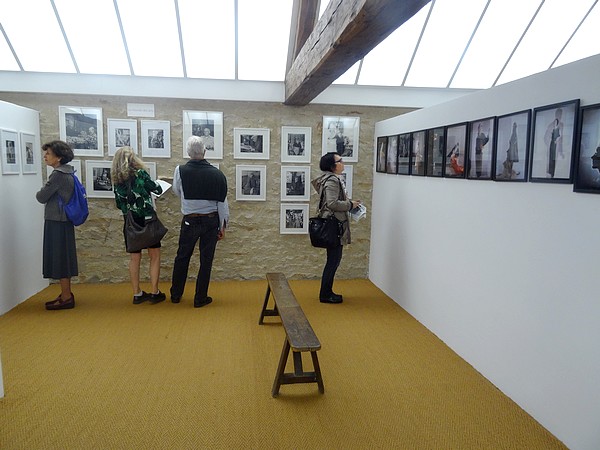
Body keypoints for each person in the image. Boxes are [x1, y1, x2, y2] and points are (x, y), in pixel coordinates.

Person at [170, 136, 229, 308]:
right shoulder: (217, 174)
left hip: (190, 220)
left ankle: (176, 294)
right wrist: (223, 225)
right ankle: (200, 298)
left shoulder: (180, 170)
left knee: (182, 257)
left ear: (188, 153)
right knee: (206, 260)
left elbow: (176, 191)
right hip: (211, 221)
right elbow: (222, 203)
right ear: (204, 151)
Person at [111, 146, 166, 304]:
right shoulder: (140, 174)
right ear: (132, 159)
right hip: (147, 219)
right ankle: (155, 292)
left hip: (130, 222)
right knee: (154, 256)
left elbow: (119, 204)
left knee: (134, 258)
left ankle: (137, 293)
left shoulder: (117, 180)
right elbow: (155, 188)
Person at [311, 152, 361, 304]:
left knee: (333, 260)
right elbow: (332, 204)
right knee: (333, 260)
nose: (343, 163)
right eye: (340, 161)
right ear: (333, 166)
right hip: (334, 226)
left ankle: (327, 291)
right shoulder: (332, 180)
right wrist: (350, 205)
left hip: (333, 224)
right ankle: (325, 294)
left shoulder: (329, 179)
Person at [36, 140, 79, 310]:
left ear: (59, 157)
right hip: (63, 221)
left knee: (60, 259)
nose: (45, 156)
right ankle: (66, 294)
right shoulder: (67, 172)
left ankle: (67, 297)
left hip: (57, 221)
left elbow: (41, 197)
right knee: (63, 257)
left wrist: (42, 190)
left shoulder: (58, 175)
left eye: (48, 154)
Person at [544, 108, 563, 178]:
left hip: (557, 148)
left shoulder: (561, 125)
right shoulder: (550, 125)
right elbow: (545, 137)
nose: (560, 116)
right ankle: (551, 175)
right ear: (556, 114)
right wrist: (550, 144)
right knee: (551, 162)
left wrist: (561, 151)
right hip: (552, 147)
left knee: (556, 164)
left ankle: (553, 175)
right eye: (559, 114)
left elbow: (562, 140)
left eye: (561, 115)